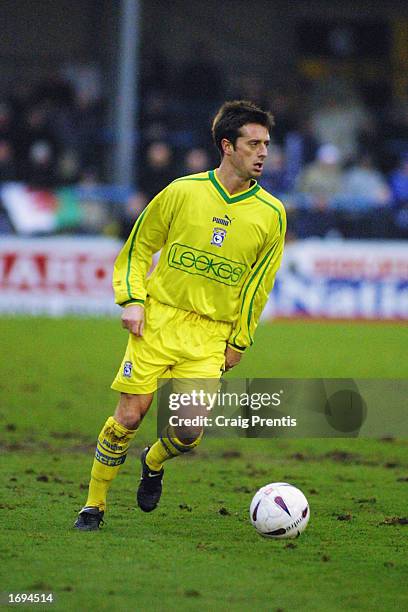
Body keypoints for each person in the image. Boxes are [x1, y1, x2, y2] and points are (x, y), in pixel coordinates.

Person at [74, 100, 287, 530]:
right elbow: (137, 249)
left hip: (210, 335)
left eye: (266, 143)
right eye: (253, 143)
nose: (263, 152)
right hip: (159, 320)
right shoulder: (182, 191)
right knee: (129, 415)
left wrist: (239, 340)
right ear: (228, 146)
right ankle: (93, 507)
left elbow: (257, 287)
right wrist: (132, 299)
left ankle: (153, 462)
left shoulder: (272, 214)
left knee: (187, 432)